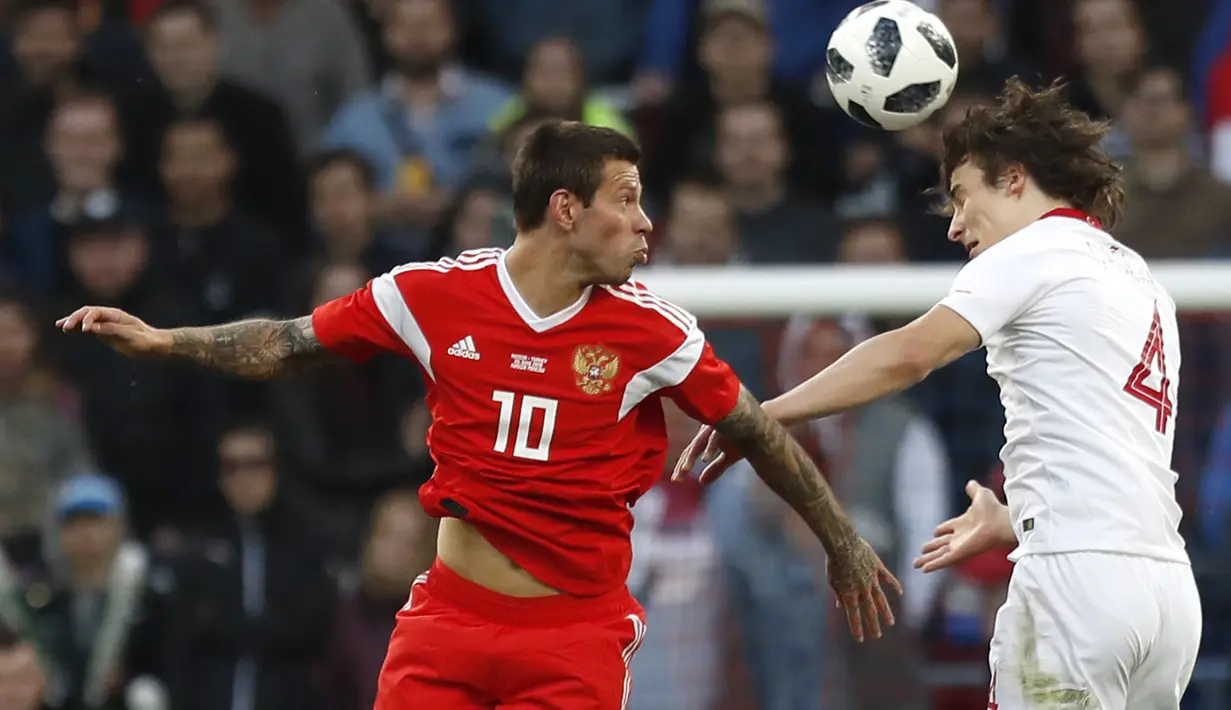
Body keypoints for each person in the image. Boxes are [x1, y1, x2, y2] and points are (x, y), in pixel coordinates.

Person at [56, 120, 900, 708]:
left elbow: (753, 427)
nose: (647, 222)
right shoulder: (431, 295)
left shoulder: (651, 330)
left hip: (574, 632)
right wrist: (167, 342)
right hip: (450, 619)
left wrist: (842, 540)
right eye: (629, 199)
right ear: (566, 209)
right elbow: (285, 341)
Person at [677, 78, 1202, 710]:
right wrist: (1016, 519)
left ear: (1012, 179)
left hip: (1077, 589)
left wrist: (762, 417)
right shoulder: (1140, 279)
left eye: (961, 196)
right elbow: (1113, 456)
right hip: (1166, 593)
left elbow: (906, 354)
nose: (954, 227)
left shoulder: (1031, 250)